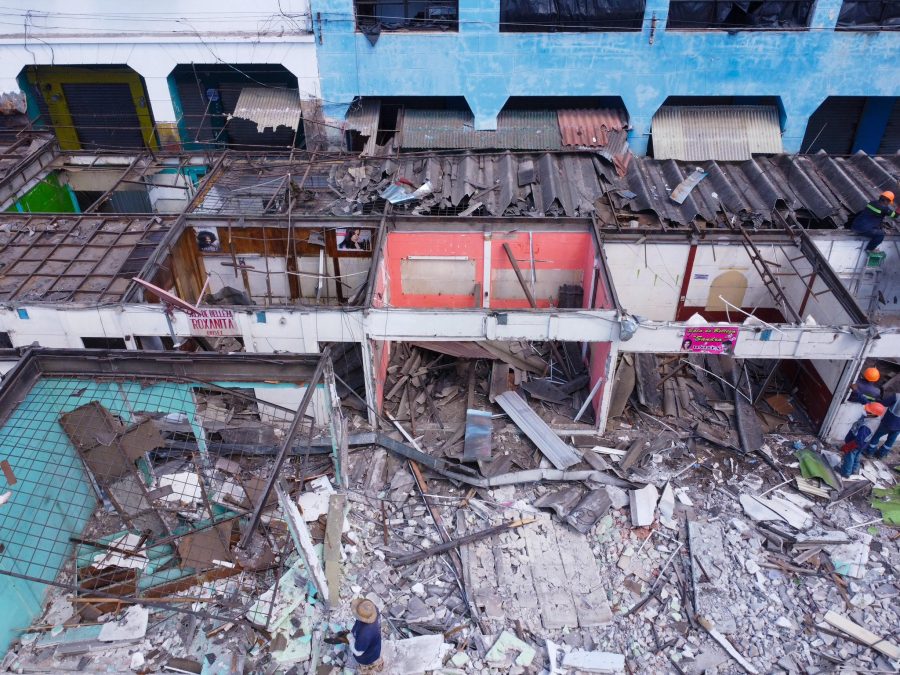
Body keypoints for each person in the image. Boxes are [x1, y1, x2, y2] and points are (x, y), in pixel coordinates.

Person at [840, 402, 885, 477]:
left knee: (849, 456)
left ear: (873, 414)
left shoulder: (866, 426)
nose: (866, 411)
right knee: (857, 456)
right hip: (863, 443)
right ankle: (855, 470)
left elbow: (859, 439)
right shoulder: (876, 418)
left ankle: (846, 473)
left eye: (868, 411)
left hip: (856, 443)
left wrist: (849, 446)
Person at [348, 598, 383, 672]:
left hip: (367, 656)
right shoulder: (373, 610)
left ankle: (366, 668)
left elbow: (358, 652)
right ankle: (374, 661)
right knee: (374, 651)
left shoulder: (365, 633)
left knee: (366, 660)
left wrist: (350, 638)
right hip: (375, 645)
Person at [865, 391, 900, 460]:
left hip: (888, 422)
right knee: (890, 441)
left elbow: (884, 403)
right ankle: (881, 454)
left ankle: (869, 452)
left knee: (876, 436)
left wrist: (876, 400)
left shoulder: (897, 396)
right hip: (898, 427)